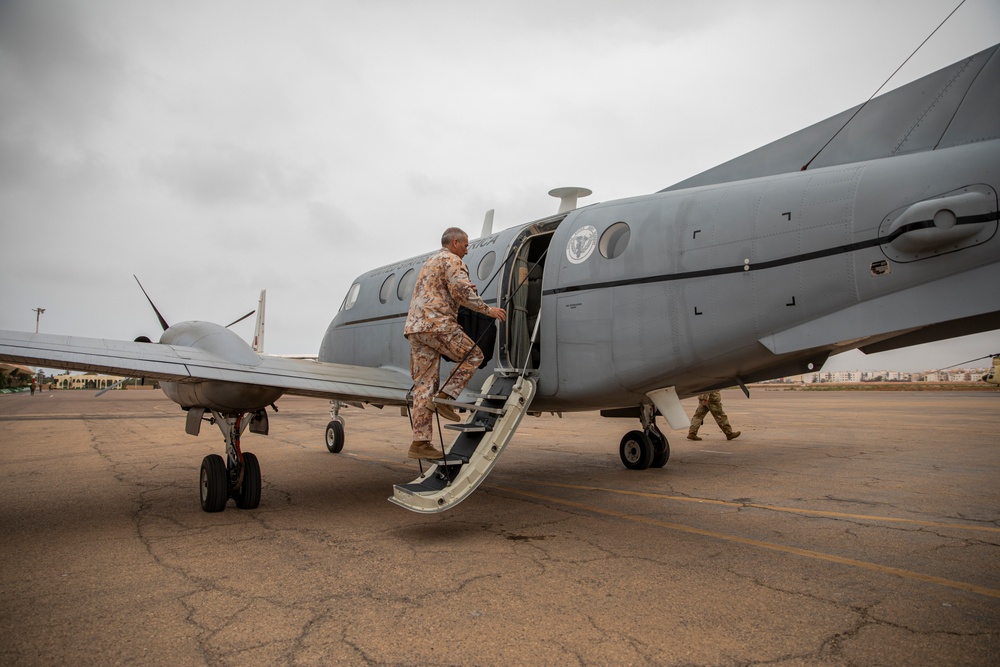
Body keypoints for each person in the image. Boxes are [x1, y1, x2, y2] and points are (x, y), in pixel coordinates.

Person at [403, 227, 507, 459]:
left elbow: (443, 290)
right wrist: (488, 310)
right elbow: (461, 292)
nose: (467, 251)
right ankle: (446, 397)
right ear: (456, 242)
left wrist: (461, 291)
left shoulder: (431, 262)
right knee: (474, 355)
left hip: (415, 329)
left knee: (424, 385)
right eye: (466, 245)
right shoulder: (452, 259)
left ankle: (420, 442)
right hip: (438, 324)